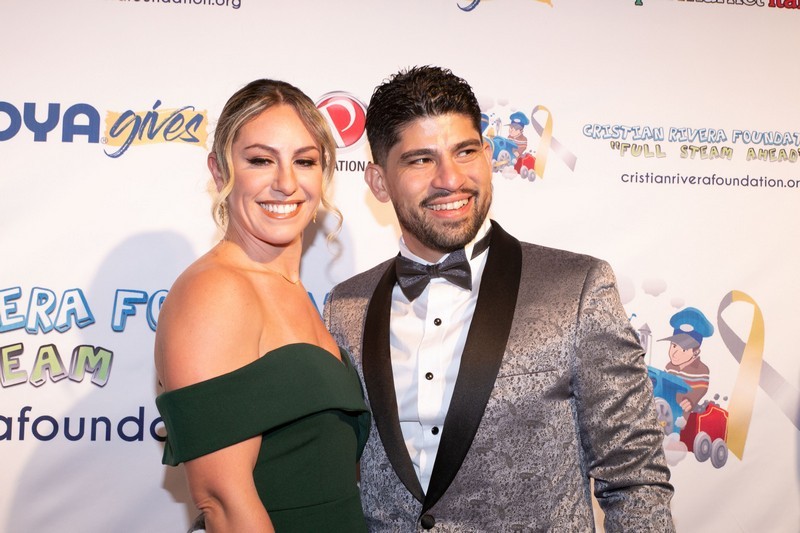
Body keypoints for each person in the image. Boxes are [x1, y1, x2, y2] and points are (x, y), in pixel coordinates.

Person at [323, 66, 675, 531]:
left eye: (465, 152)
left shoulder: (578, 289)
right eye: (421, 160)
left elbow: (636, 478)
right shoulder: (345, 307)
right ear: (379, 182)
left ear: (488, 156)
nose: (450, 179)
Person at [154, 79, 370, 533]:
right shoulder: (216, 291)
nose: (286, 183)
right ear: (220, 172)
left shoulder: (293, 291)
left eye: (304, 161)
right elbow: (224, 502)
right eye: (260, 160)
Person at [661, 306, 714, 413]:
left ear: (696, 352)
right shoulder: (669, 367)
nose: (675, 353)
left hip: (682, 414)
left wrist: (690, 400)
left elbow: (700, 390)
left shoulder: (702, 370)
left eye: (684, 350)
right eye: (674, 346)